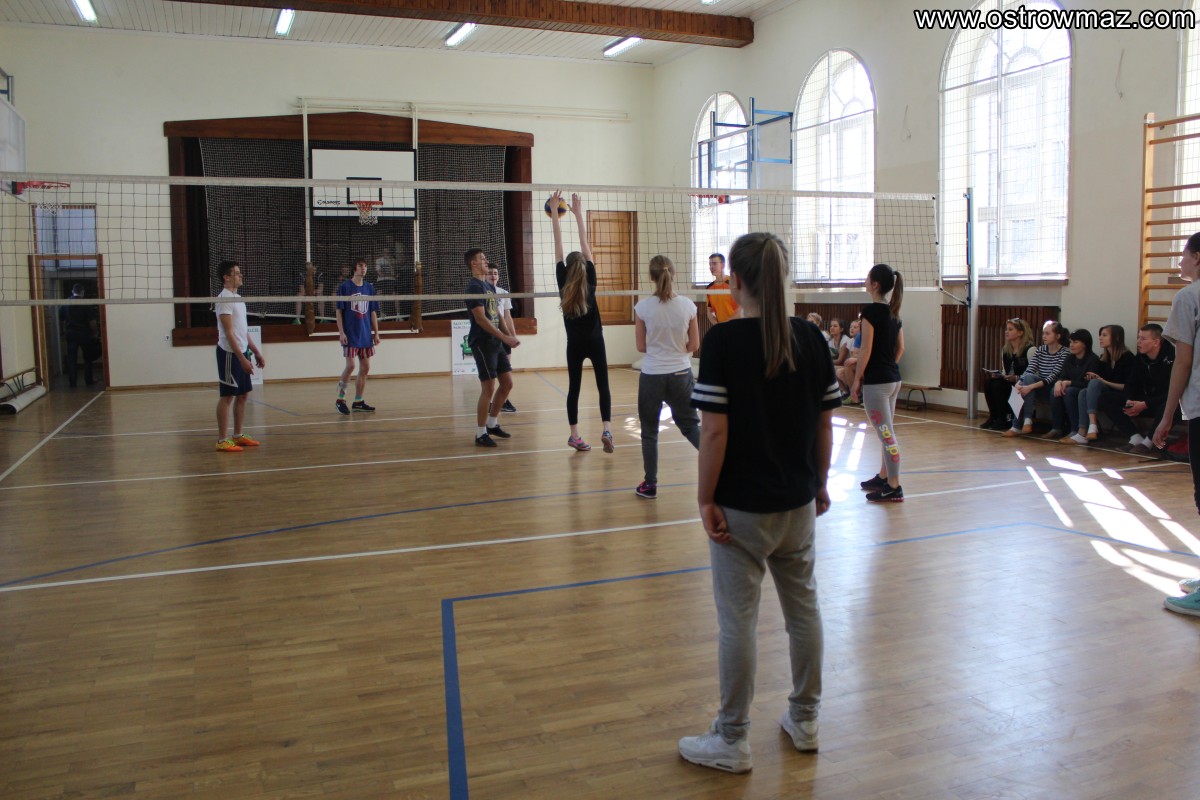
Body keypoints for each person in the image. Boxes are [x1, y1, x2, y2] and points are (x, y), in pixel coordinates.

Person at [679, 231, 838, 774]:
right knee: (804, 613)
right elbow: (824, 424)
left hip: (740, 511)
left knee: (738, 625)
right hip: (797, 505)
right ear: (782, 278)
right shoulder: (811, 338)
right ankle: (806, 720)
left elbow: (714, 432)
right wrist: (819, 483)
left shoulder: (724, 342)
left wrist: (705, 498)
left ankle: (732, 738)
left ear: (736, 282)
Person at [1156, 231, 1200, 617]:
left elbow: (1183, 362)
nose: (1180, 261)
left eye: (1184, 254)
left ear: (1198, 257)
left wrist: (1167, 415)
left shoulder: (1188, 297)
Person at [550, 190, 613, 453]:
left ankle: (574, 435)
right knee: (603, 386)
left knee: (573, 388)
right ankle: (606, 429)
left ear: (567, 267)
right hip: (595, 341)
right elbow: (585, 243)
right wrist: (577, 214)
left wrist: (555, 215)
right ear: (585, 265)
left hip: (574, 344)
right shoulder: (591, 279)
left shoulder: (562, 281)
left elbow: (558, 247)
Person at [633, 255, 701, 498]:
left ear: (651, 277)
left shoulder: (642, 308)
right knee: (690, 427)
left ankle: (650, 485)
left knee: (649, 431)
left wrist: (660, 348)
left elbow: (641, 346)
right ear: (673, 274)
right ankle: (725, 469)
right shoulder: (688, 306)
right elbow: (694, 345)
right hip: (681, 373)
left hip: (652, 375)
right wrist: (676, 349)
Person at [849, 264, 906, 503]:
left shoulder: (870, 312)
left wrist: (856, 380)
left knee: (886, 435)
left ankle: (894, 486)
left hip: (878, 384)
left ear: (875, 285)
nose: (865, 281)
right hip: (893, 380)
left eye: (867, 278)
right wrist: (888, 366)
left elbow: (866, 349)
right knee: (887, 432)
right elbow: (901, 348)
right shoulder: (894, 313)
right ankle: (884, 477)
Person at [464, 248, 519, 447]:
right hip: (482, 342)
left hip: (496, 342)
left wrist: (509, 336)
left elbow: (497, 314)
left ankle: (492, 423)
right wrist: (503, 336)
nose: (486, 261)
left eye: (486, 258)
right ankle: (480, 434)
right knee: (488, 387)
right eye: (482, 259)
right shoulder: (473, 287)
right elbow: (480, 319)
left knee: (507, 384)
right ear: (473, 264)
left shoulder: (489, 287)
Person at [1098, 324, 1176, 453]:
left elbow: (1173, 393)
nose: (1138, 342)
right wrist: (1129, 399)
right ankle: (1135, 437)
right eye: (1138, 337)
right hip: (1145, 400)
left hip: (1162, 402)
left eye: (1143, 339)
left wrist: (1145, 404)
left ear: (1156, 342)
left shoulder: (1172, 358)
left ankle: (1148, 442)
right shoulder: (1140, 357)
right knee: (1106, 398)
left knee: (1171, 406)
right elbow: (1131, 383)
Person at [214, 260, 265, 453]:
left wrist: (255, 352)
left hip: (242, 351)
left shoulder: (238, 298)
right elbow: (229, 333)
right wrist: (242, 359)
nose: (240, 275)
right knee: (227, 396)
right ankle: (222, 440)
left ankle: (237, 435)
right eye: (236, 273)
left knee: (243, 395)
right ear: (226, 277)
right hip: (229, 353)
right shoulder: (224, 299)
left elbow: (242, 331)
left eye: (239, 272)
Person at [1004, 321, 1070, 437]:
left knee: (1028, 384)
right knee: (1024, 381)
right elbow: (1030, 369)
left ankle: (1029, 421)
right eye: (1043, 333)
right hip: (1037, 386)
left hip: (1052, 388)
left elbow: (1053, 376)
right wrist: (1019, 382)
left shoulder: (1064, 352)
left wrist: (1030, 387)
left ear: (1058, 336)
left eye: (1047, 334)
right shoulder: (1040, 350)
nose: (1044, 336)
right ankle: (1019, 424)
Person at [335, 258, 381, 415]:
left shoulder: (369, 288)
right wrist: (341, 333)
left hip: (365, 334)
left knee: (365, 367)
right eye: (361, 266)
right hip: (350, 334)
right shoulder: (345, 287)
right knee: (351, 366)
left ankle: (358, 401)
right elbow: (339, 312)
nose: (364, 268)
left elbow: (372, 312)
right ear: (354, 268)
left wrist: (376, 333)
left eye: (365, 266)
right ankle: (340, 399)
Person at [1078, 324, 1135, 442]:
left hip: (1124, 393)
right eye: (1100, 335)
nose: (1100, 338)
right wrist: (1092, 377)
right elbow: (1099, 380)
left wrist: (1102, 381)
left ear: (1116, 338)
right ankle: (1082, 431)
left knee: (1095, 384)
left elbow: (1127, 386)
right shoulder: (1104, 359)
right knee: (1083, 392)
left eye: (1104, 335)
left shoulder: (1128, 358)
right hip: (1107, 392)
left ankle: (1092, 426)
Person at [981, 318, 1035, 430]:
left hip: (1022, 383)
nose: (1007, 332)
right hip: (1009, 381)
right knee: (989, 383)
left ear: (1020, 332)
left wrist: (1017, 378)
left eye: (1010, 329)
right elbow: (1005, 370)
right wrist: (1000, 375)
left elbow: (1034, 373)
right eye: (1007, 329)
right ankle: (994, 416)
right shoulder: (1006, 350)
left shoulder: (1030, 350)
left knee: (998, 386)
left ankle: (1004, 418)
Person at [1048, 328, 1100, 443]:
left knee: (1069, 392)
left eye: (1075, 342)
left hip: (1084, 390)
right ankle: (1056, 427)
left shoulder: (1093, 359)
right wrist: (1058, 382)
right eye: (1071, 342)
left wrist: (1069, 383)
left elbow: (1089, 383)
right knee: (1054, 391)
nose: (1071, 345)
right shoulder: (1069, 358)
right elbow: (1063, 375)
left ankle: (1075, 429)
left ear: (1085, 344)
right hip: (1071, 388)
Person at [488, 265, 517, 414]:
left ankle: (504, 401)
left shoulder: (504, 293)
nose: (493, 275)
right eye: (490, 273)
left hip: (504, 336)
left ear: (498, 276)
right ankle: (490, 401)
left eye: (495, 273)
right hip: (491, 336)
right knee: (492, 372)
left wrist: (513, 336)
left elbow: (507, 317)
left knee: (506, 370)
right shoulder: (482, 292)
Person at [59, 282, 99, 387]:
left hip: (71, 334)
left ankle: (72, 382)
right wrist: (95, 333)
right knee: (88, 358)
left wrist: (62, 331)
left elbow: (61, 320)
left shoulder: (65, 304)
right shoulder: (86, 304)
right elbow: (92, 322)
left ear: (72, 291)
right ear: (83, 292)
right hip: (85, 334)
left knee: (71, 359)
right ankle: (88, 380)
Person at [705, 253, 739, 325]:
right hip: (721, 327)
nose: (711, 267)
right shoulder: (709, 288)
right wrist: (717, 326)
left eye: (714, 264)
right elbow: (709, 312)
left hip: (736, 325)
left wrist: (729, 324)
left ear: (722, 265)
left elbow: (741, 309)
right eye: (710, 264)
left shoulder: (733, 283)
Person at [835, 318, 861, 399]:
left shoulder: (861, 339)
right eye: (851, 327)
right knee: (833, 369)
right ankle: (845, 392)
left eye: (855, 327)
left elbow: (841, 360)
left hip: (859, 365)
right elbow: (852, 355)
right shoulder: (850, 341)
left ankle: (856, 394)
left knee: (842, 371)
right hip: (851, 364)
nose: (852, 329)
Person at [294, 262, 324, 329]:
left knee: (321, 296)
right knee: (299, 296)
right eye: (308, 265)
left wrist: (313, 292)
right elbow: (302, 290)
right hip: (305, 294)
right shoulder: (302, 274)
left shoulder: (319, 274)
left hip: (315, 294)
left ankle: (322, 319)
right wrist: (309, 293)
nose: (312, 268)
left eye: (313, 266)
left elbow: (321, 289)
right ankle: (297, 319)